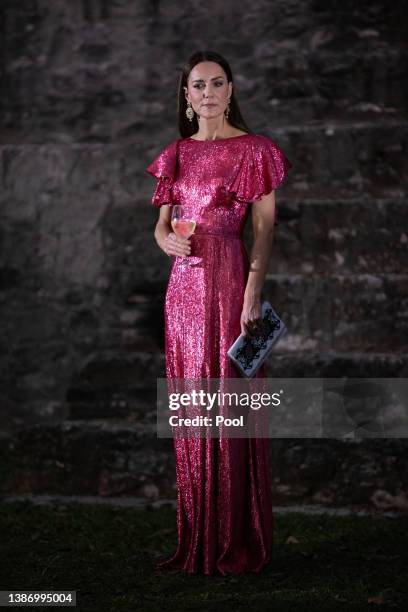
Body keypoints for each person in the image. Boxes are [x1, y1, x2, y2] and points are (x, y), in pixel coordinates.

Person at [145, 50, 293, 576]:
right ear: (186, 96)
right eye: (197, 85)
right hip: (183, 288)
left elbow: (265, 228)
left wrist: (254, 289)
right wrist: (166, 241)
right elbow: (163, 224)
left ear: (231, 91)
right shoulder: (176, 154)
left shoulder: (255, 150)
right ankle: (197, 539)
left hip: (231, 276)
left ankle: (235, 540)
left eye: (217, 83)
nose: (207, 92)